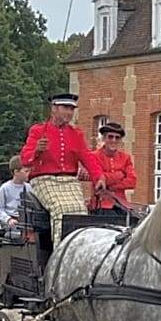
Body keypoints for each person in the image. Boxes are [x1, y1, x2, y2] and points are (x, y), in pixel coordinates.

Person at [20, 92, 106, 247]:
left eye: (71, 109)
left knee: (80, 211)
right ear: (54, 108)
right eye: (65, 108)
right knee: (60, 209)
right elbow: (25, 160)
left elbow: (87, 157)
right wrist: (37, 151)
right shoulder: (38, 131)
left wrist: (98, 176)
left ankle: (80, 249)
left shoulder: (76, 134)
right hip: (44, 179)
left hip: (69, 180)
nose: (69, 112)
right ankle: (61, 250)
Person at [93, 121, 137, 210]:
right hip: (101, 204)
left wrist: (109, 186)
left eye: (117, 138)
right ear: (104, 138)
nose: (114, 140)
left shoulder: (125, 157)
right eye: (110, 137)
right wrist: (120, 175)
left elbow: (132, 181)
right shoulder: (94, 156)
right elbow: (97, 178)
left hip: (121, 204)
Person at [0, 156, 32, 227]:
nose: (29, 173)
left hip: (26, 221)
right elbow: (0, 210)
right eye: (26, 171)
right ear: (16, 172)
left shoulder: (29, 187)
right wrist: (8, 219)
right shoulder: (5, 188)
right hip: (11, 221)